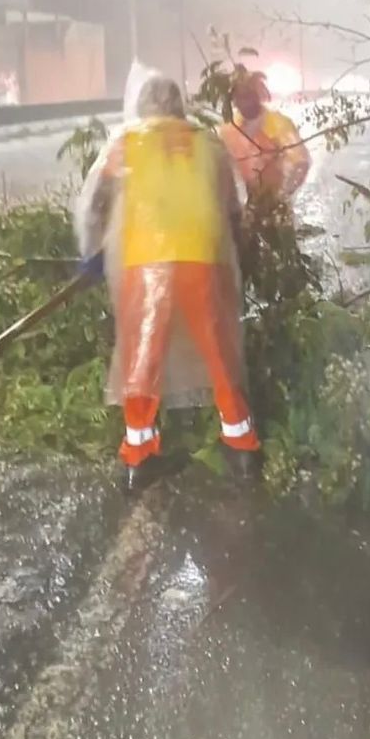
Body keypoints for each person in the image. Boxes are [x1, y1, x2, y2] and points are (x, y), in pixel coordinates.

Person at [77, 67, 260, 474]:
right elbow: (233, 208)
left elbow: (97, 201)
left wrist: (91, 252)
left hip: (145, 263)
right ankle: (242, 447)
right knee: (219, 351)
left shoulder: (126, 143)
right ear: (180, 107)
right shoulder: (208, 143)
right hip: (204, 258)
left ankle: (138, 457)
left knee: (143, 356)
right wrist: (235, 257)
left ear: (142, 107)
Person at [220, 69, 309, 203]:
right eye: (239, 98)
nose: (245, 103)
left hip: (276, 202)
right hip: (247, 204)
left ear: (259, 95)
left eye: (249, 96)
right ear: (233, 100)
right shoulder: (229, 131)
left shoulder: (279, 124)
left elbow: (301, 163)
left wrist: (282, 195)